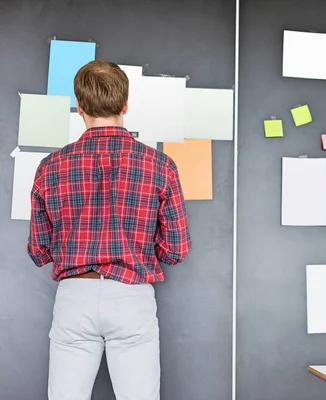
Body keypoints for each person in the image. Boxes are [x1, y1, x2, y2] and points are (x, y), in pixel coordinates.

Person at [26, 60, 191, 400]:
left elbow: (38, 250)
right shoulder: (160, 164)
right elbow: (176, 250)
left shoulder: (50, 166)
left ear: (80, 107)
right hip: (132, 296)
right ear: (125, 105)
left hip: (74, 295)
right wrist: (138, 250)